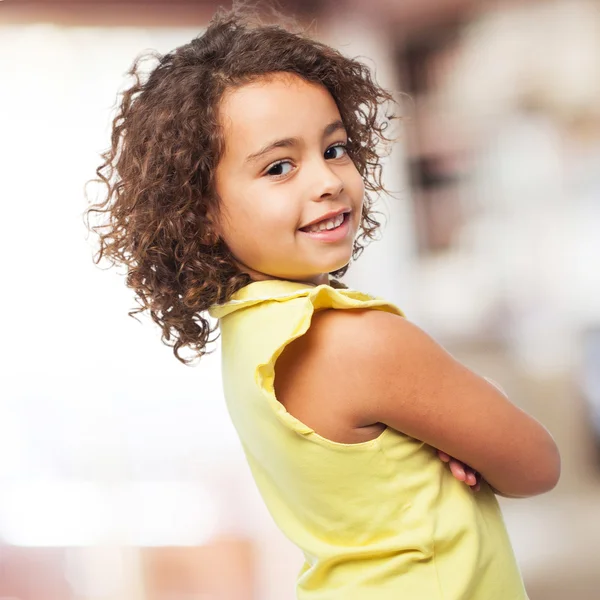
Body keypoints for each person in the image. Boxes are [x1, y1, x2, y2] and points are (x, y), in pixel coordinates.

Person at [85, 5, 560, 599]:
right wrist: (470, 424)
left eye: (334, 149)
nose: (328, 180)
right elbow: (537, 464)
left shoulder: (251, 336)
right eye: (279, 167)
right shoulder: (355, 338)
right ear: (200, 214)